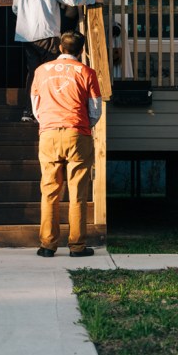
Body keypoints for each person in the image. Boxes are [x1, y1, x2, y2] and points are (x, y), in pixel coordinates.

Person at [31, 30, 102, 258]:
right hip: (77, 133)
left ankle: (47, 245)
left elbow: (36, 106)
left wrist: (49, 123)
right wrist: (83, 126)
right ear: (81, 51)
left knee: (49, 191)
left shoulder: (41, 71)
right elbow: (95, 109)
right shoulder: (86, 72)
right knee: (78, 193)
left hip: (49, 134)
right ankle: (77, 246)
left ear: (60, 48)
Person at [12, 0, 96, 123]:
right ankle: (48, 111)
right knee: (51, 73)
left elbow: (15, 8)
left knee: (34, 73)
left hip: (26, 35)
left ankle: (28, 112)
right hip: (46, 33)